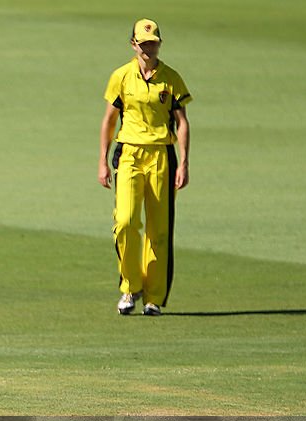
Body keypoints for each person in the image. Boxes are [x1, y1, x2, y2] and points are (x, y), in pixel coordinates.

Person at [98, 18, 192, 316]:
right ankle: (130, 287)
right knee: (125, 223)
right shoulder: (121, 76)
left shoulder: (171, 78)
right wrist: (102, 160)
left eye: (153, 43)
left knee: (158, 230)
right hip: (129, 153)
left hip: (162, 155)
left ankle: (153, 297)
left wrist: (185, 162)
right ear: (133, 44)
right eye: (143, 43)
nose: (149, 48)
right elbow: (109, 120)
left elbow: (182, 123)